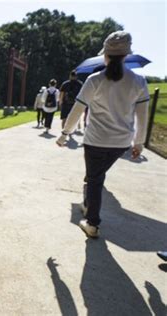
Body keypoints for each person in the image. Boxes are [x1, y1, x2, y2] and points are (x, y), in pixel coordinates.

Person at [56, 31, 149, 238]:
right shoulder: (138, 82)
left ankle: (92, 223)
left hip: (96, 140)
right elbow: (142, 116)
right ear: (127, 56)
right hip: (121, 143)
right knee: (96, 176)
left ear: (105, 55)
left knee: (95, 179)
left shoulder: (94, 80)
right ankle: (88, 203)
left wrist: (64, 134)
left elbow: (77, 110)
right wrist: (139, 143)